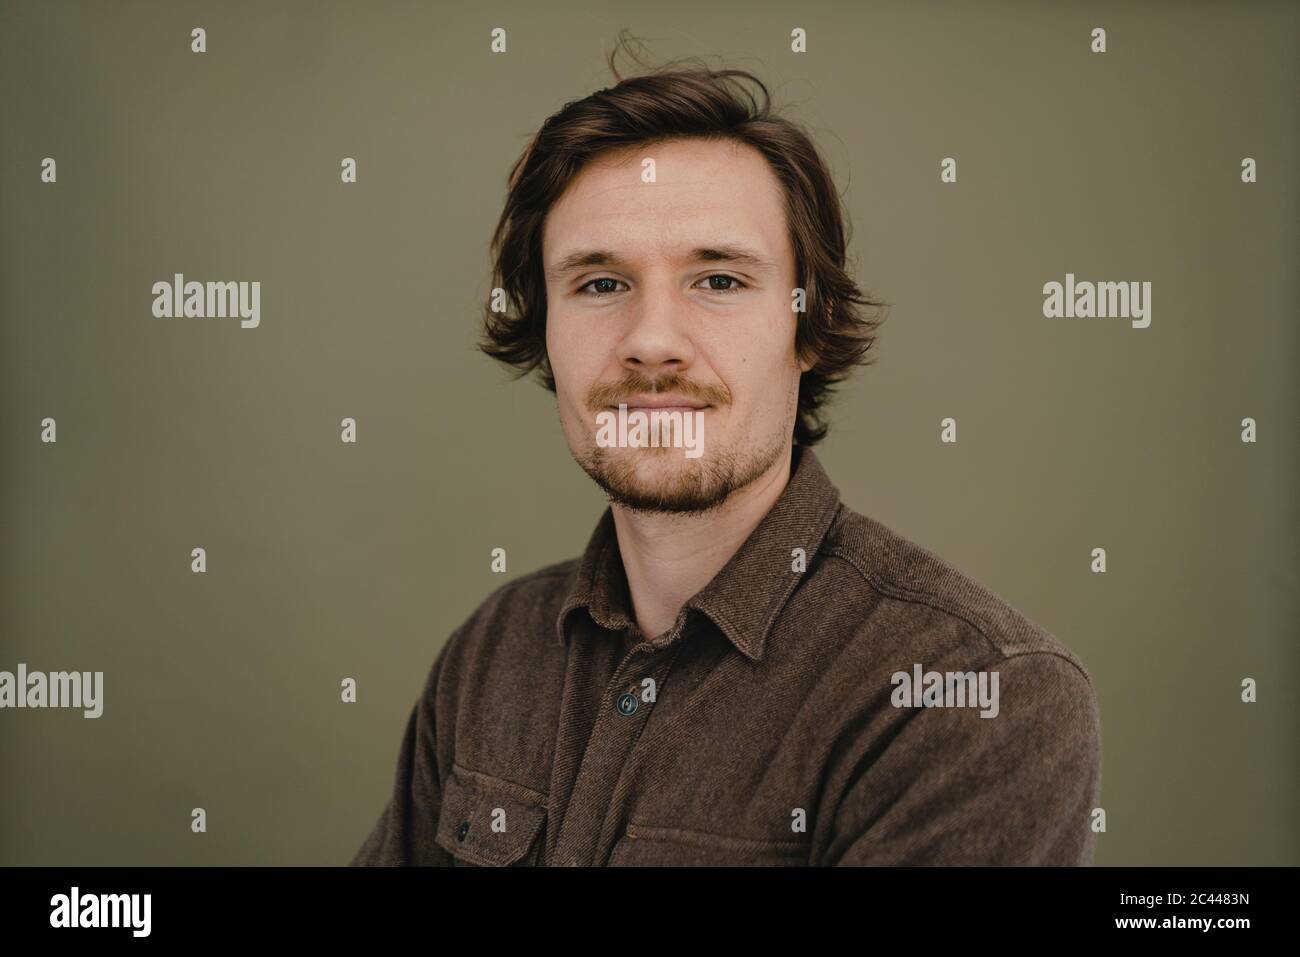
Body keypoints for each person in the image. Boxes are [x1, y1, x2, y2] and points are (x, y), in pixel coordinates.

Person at [350, 53, 1101, 867]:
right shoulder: (492, 652)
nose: (652, 342)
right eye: (600, 284)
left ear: (807, 330)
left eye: (718, 279)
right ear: (547, 334)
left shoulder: (976, 694)